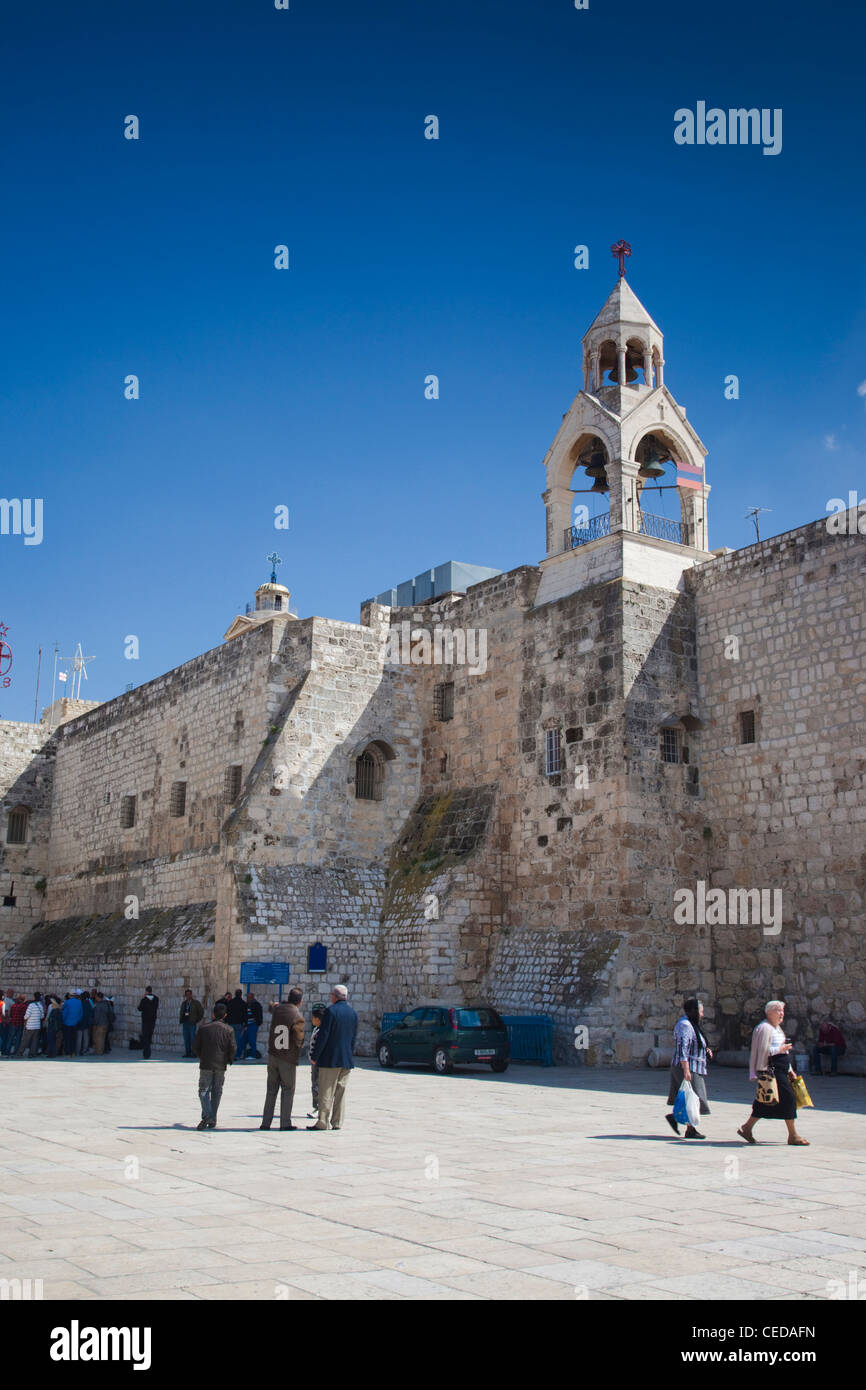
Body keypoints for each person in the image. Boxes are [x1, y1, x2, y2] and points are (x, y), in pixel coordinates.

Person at [738, 1000, 809, 1146]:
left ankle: (747, 1127)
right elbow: (762, 1052)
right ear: (769, 1012)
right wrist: (780, 1050)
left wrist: (790, 1070)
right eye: (778, 1010)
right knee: (788, 1099)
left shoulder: (777, 1028)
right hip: (772, 1069)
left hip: (781, 1068)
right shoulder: (764, 1028)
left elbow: (783, 1052)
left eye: (782, 1010)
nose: (781, 1013)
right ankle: (793, 1135)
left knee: (766, 1101)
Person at [307, 986, 358, 1132]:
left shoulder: (331, 1011)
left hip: (330, 1059)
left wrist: (315, 1056)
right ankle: (337, 1121)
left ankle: (323, 1121)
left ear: (335, 996)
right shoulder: (353, 1013)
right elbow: (353, 1038)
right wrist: (349, 1054)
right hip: (346, 1059)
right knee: (341, 1092)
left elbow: (323, 1035)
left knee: (326, 1090)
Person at [665, 997, 712, 1139]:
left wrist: (706, 1050)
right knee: (695, 1097)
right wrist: (686, 1069)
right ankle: (690, 1129)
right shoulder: (685, 1025)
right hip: (687, 1067)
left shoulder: (692, 1024)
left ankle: (677, 1119)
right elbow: (682, 1048)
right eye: (701, 1012)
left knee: (690, 1097)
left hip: (694, 1067)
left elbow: (696, 1043)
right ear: (694, 1011)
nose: (702, 1015)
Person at [260, 988, 304, 1130]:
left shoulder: (278, 1009)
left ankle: (266, 1122)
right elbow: (298, 1038)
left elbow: (271, 1006)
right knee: (287, 1089)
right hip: (287, 1057)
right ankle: (285, 1123)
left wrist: (277, 1004)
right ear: (300, 1002)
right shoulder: (297, 1015)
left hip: (273, 1054)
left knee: (271, 1089)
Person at [192, 1001, 236, 1129]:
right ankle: (212, 1118)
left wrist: (202, 1056)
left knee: (203, 1091)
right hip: (220, 1065)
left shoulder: (203, 1028)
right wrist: (229, 1059)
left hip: (206, 1063)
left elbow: (195, 1047)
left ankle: (207, 1116)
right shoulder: (229, 1029)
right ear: (225, 1015)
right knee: (217, 1091)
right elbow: (232, 1047)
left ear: (213, 1014)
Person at [307, 1005, 324, 1118]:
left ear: (318, 1019)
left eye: (313, 1017)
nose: (312, 1020)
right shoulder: (316, 1029)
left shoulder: (322, 1031)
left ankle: (319, 1108)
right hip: (314, 1061)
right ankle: (316, 1107)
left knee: (317, 1085)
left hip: (318, 1062)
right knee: (315, 1084)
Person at [179, 990, 204, 1058]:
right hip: (185, 1022)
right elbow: (182, 1012)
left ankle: (194, 1053)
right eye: (186, 995)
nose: (188, 996)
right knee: (186, 1038)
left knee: (193, 1038)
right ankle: (187, 1052)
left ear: (191, 995)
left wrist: (196, 1020)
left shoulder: (195, 1003)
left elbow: (201, 1012)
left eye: (189, 994)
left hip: (192, 1023)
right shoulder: (184, 1003)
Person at [137, 986, 159, 1059]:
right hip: (152, 1020)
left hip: (145, 1020)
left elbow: (139, 1008)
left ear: (146, 991)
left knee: (145, 1036)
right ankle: (148, 1051)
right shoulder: (156, 998)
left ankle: (146, 1053)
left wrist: (143, 998)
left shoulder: (145, 999)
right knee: (149, 1036)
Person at [226, 989, 248, 1057]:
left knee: (231, 1039)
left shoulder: (230, 1002)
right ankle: (237, 1055)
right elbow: (245, 1015)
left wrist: (226, 1022)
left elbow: (227, 1013)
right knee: (238, 1040)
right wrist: (246, 1024)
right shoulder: (243, 1003)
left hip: (231, 1023)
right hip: (239, 1024)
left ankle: (231, 1054)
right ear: (241, 994)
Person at [22, 994, 45, 1058]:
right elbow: (42, 1016)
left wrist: (24, 1018)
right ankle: (32, 1053)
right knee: (35, 1041)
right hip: (37, 1026)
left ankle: (20, 1052)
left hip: (30, 1026)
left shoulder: (31, 1005)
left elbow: (27, 1015)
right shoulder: (40, 1006)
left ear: (34, 997)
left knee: (26, 1040)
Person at [61, 992, 82, 1057]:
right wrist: (77, 1020)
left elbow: (65, 1012)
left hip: (67, 1023)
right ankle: (73, 1052)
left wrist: (63, 1020)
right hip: (75, 1023)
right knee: (74, 1038)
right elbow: (81, 1013)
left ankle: (68, 1052)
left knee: (67, 1038)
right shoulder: (79, 1002)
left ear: (70, 995)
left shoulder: (67, 1002)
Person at [243, 992, 263, 1059]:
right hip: (247, 1025)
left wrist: (258, 1023)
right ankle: (242, 1054)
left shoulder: (256, 1005)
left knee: (252, 1040)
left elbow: (259, 1015)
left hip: (253, 1024)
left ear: (252, 997)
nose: (248, 999)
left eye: (249, 997)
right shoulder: (247, 1005)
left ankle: (253, 1055)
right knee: (243, 1041)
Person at [78, 989, 93, 1056]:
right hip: (87, 1022)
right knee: (86, 1036)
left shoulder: (81, 1003)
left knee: (79, 1037)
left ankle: (78, 1050)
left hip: (80, 1021)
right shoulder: (89, 1003)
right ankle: (85, 1050)